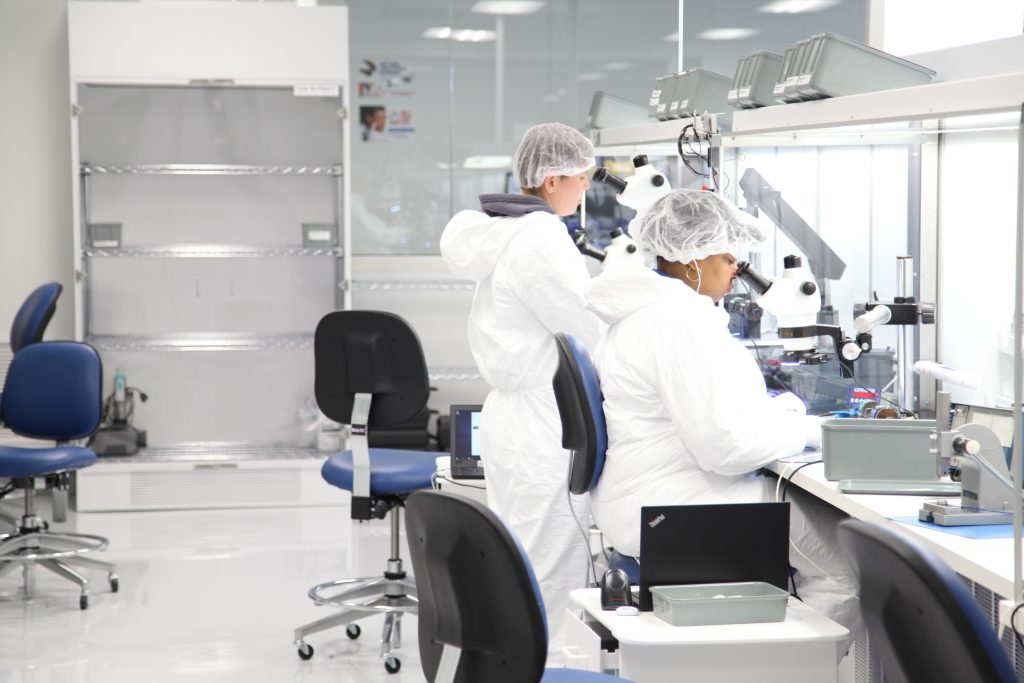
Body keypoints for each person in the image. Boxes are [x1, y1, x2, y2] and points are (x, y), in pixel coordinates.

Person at [584, 188, 862, 647]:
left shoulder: (651, 314)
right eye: (728, 256)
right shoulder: (677, 324)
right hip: (670, 508)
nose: (737, 269)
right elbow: (725, 447)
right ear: (693, 256)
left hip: (648, 494)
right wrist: (812, 430)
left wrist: (781, 414)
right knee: (844, 567)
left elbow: (708, 414)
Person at [440, 122, 604, 662]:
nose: (587, 191)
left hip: (514, 418)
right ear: (553, 179)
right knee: (552, 565)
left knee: (525, 556)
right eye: (582, 179)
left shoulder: (505, 231)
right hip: (543, 419)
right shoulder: (539, 240)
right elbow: (585, 328)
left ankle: (523, 666)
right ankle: (551, 669)